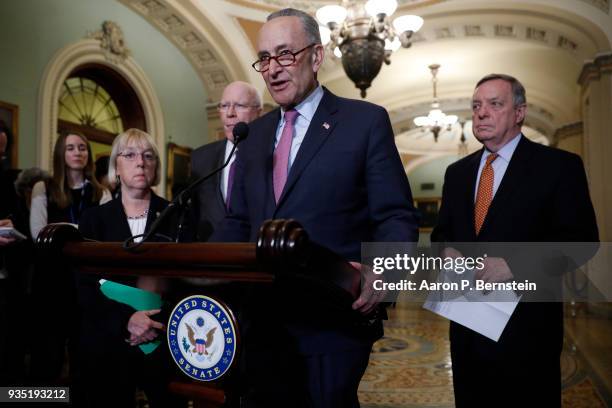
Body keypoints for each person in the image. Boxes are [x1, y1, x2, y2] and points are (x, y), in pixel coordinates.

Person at [212, 8, 418, 407]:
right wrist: (202, 273)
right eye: (266, 58)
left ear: (317, 56)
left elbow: (395, 215)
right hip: (262, 322)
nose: (273, 68)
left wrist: (385, 273)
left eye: (286, 54)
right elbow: (237, 223)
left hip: (333, 320)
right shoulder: (251, 137)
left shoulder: (364, 122)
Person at [431, 74, 599, 407]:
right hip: (466, 329)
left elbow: (582, 241)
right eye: (476, 106)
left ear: (519, 112)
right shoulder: (457, 173)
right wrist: (446, 250)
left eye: (495, 104)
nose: (481, 113)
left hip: (527, 333)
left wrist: (514, 265)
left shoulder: (558, 166)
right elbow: (442, 234)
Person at [76, 128, 178, 407]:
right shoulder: (93, 219)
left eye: (148, 156)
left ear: (155, 166)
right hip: (107, 338)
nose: (140, 162)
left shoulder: (176, 215)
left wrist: (153, 322)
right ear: (116, 166)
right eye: (130, 155)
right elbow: (83, 287)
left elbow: (185, 281)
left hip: (161, 336)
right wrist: (127, 320)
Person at [28, 131, 110, 384]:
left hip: (86, 280)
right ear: (61, 154)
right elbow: (38, 232)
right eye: (71, 148)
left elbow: (104, 238)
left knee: (83, 353)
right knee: (47, 353)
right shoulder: (44, 187)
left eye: (82, 148)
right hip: (52, 279)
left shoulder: (101, 192)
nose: (77, 153)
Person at [191, 81, 262, 241]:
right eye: (224, 106)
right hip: (209, 256)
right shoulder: (200, 158)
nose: (230, 113)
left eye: (240, 105)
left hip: (254, 256)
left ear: (259, 112)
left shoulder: (271, 155)